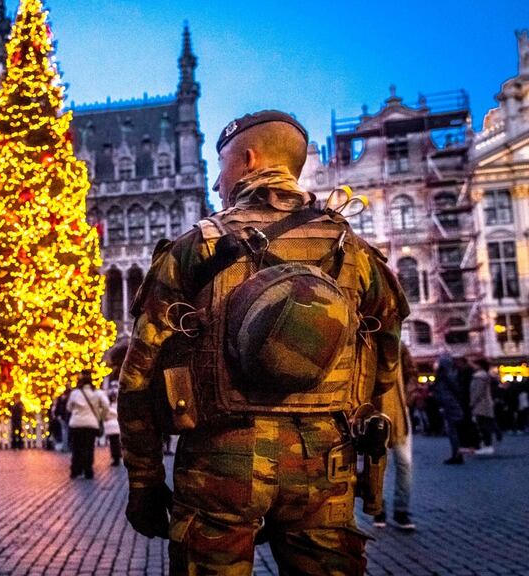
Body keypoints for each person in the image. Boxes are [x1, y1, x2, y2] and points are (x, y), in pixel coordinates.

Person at [119, 111, 407, 574]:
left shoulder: (197, 248)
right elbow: (385, 361)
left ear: (249, 159)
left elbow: (138, 376)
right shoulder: (353, 251)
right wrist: (367, 455)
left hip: (219, 463)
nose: (216, 183)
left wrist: (145, 482)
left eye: (223, 166)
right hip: (325, 463)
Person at [371, 344, 416, 531]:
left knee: (404, 463)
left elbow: (411, 372)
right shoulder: (367, 343)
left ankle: (401, 510)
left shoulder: (399, 346)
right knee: (376, 466)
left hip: (399, 412)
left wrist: (407, 397)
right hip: (373, 412)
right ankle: (377, 508)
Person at [66, 371, 109, 479]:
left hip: (76, 423)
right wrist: (100, 417)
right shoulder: (97, 393)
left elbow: (69, 407)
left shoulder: (75, 393)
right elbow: (106, 405)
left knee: (77, 448)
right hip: (91, 424)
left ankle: (75, 470)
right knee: (88, 448)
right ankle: (88, 471)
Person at [433, 354, 466, 464]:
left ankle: (457, 454)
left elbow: (454, 389)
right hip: (449, 404)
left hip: (450, 404)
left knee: (453, 431)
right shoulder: (447, 374)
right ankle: (457, 453)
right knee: (453, 431)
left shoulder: (446, 375)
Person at [471, 358, 498, 456]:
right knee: (484, 424)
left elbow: (477, 392)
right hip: (485, 403)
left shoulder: (479, 376)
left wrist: (472, 402)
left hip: (481, 404)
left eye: (474, 364)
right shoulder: (485, 375)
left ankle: (487, 446)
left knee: (483, 425)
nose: (473, 366)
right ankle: (487, 445)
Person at [104, 391, 121, 467]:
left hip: (110, 426)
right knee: (116, 442)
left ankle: (115, 457)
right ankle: (117, 456)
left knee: (113, 443)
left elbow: (105, 416)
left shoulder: (108, 406)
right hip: (117, 426)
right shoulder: (119, 405)